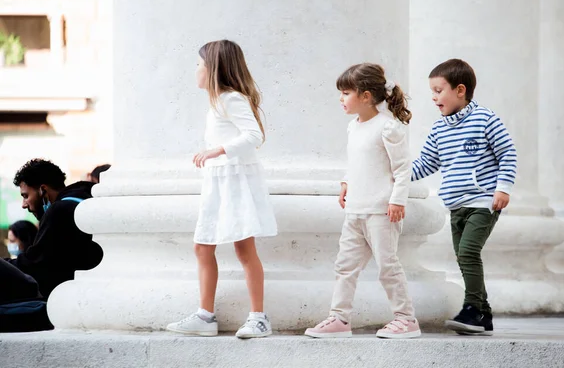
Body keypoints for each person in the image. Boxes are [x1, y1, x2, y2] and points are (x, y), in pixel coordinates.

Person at [166, 40, 277, 338]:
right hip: (219, 183)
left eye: (199, 64)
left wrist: (217, 151)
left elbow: (253, 135)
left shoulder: (231, 99)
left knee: (244, 248)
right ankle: (205, 316)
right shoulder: (218, 103)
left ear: (213, 69)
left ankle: (258, 317)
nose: (196, 70)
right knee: (203, 246)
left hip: (235, 181)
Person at [305, 63, 421, 339]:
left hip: (382, 212)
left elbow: (402, 169)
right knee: (344, 266)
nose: (340, 99)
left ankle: (406, 319)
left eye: (346, 93)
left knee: (387, 266)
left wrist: (398, 201)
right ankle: (339, 318)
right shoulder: (353, 127)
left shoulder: (388, 128)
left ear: (366, 96)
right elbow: (358, 162)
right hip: (356, 210)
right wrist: (346, 182)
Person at [411, 59, 517, 335]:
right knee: (462, 256)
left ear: (460, 90)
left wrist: (503, 187)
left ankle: (472, 309)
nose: (433, 97)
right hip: (456, 205)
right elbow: (425, 164)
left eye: (438, 90)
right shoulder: (439, 129)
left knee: (469, 252)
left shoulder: (484, 119)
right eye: (431, 91)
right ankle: (485, 314)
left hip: (483, 201)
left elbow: (507, 153)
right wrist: (393, 174)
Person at [2, 159, 104, 300]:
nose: (24, 205)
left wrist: (3, 265)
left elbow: (34, 264)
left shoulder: (60, 210)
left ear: (43, 190)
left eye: (26, 196)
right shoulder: (85, 201)